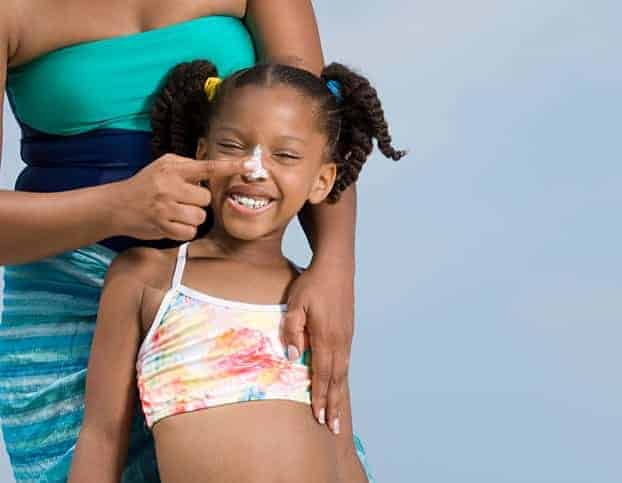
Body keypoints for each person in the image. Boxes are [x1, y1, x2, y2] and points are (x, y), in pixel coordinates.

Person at [0, 3, 367, 481]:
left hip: (226, 291)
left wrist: (335, 267)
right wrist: (117, 207)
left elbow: (314, 122)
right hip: (66, 307)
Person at [68, 60, 404, 482]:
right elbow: (101, 437)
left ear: (321, 180)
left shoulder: (312, 301)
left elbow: (340, 446)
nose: (253, 168)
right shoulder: (147, 279)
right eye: (233, 146)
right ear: (202, 152)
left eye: (284, 155)